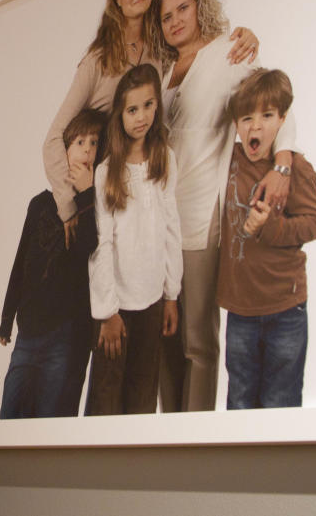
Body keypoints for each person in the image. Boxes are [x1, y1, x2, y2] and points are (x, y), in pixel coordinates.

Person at [42, 0, 258, 412]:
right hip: (101, 200)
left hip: (164, 204)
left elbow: (257, 93)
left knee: (164, 341)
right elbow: (55, 139)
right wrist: (70, 206)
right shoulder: (100, 60)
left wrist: (244, 36)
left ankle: (173, 433)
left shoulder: (169, 58)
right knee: (99, 346)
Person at [156, 0, 297, 412]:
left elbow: (277, 100)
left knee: (197, 338)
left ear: (200, 6)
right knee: (164, 337)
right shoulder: (160, 73)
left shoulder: (225, 55)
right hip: (159, 222)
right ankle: (168, 437)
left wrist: (283, 161)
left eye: (183, 8)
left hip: (201, 218)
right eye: (165, 16)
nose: (175, 20)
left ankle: (194, 439)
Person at [217, 69, 316, 408]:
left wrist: (271, 228)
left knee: (281, 402)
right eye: (246, 118)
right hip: (240, 311)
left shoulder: (296, 169)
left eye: (267, 116)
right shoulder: (228, 160)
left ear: (282, 121)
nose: (256, 127)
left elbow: (314, 223)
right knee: (240, 401)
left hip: (286, 309)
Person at [85, 64, 182, 415]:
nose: (141, 116)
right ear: (120, 114)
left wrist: (172, 295)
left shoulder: (165, 160)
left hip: (153, 302)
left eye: (148, 105)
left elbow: (172, 229)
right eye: (132, 109)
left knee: (143, 394)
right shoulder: (106, 172)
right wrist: (108, 312)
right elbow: (101, 245)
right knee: (106, 397)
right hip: (117, 307)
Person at [0, 108, 107, 419]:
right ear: (65, 149)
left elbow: (89, 246)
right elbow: (21, 263)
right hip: (29, 330)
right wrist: (7, 318)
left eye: (94, 143)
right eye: (80, 142)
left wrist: (88, 193)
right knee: (11, 411)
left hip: (66, 335)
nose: (87, 150)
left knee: (52, 415)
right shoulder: (40, 204)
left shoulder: (96, 203)